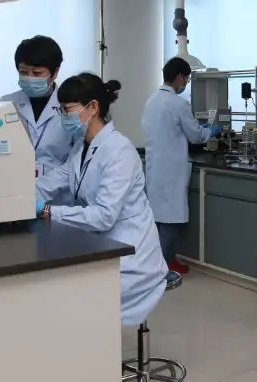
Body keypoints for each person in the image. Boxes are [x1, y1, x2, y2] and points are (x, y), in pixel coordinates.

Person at [35, 73, 168, 326]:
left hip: (132, 259)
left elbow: (103, 216)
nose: (63, 117)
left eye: (67, 110)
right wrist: (17, 196)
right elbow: (52, 181)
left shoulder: (119, 151)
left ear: (92, 107)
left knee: (68, 297)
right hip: (102, 247)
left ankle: (90, 349)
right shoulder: (81, 148)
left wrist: (48, 211)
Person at [141, 57, 222, 275]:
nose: (185, 83)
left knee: (158, 219)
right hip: (171, 171)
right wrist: (210, 131)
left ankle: (162, 261)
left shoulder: (152, 101)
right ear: (179, 77)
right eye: (186, 79)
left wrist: (197, 129)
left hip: (156, 168)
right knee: (171, 221)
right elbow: (195, 136)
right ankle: (163, 267)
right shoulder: (178, 104)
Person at [1, 36, 75, 180]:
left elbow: (76, 162)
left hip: (58, 189)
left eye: (37, 73)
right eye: (23, 72)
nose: (30, 78)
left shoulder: (72, 107)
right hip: (15, 183)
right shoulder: (6, 104)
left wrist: (45, 186)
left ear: (55, 72)